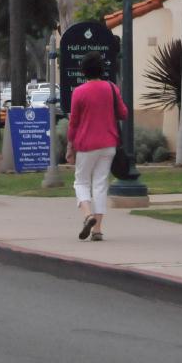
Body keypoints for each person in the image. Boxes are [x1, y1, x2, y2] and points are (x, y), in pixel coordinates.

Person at [66, 52, 127, 242]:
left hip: (86, 144)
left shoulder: (79, 92)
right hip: (109, 142)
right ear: (102, 69)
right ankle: (98, 229)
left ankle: (87, 215)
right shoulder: (112, 88)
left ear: (83, 71)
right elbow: (123, 113)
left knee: (81, 181)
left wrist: (70, 146)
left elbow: (73, 122)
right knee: (100, 184)